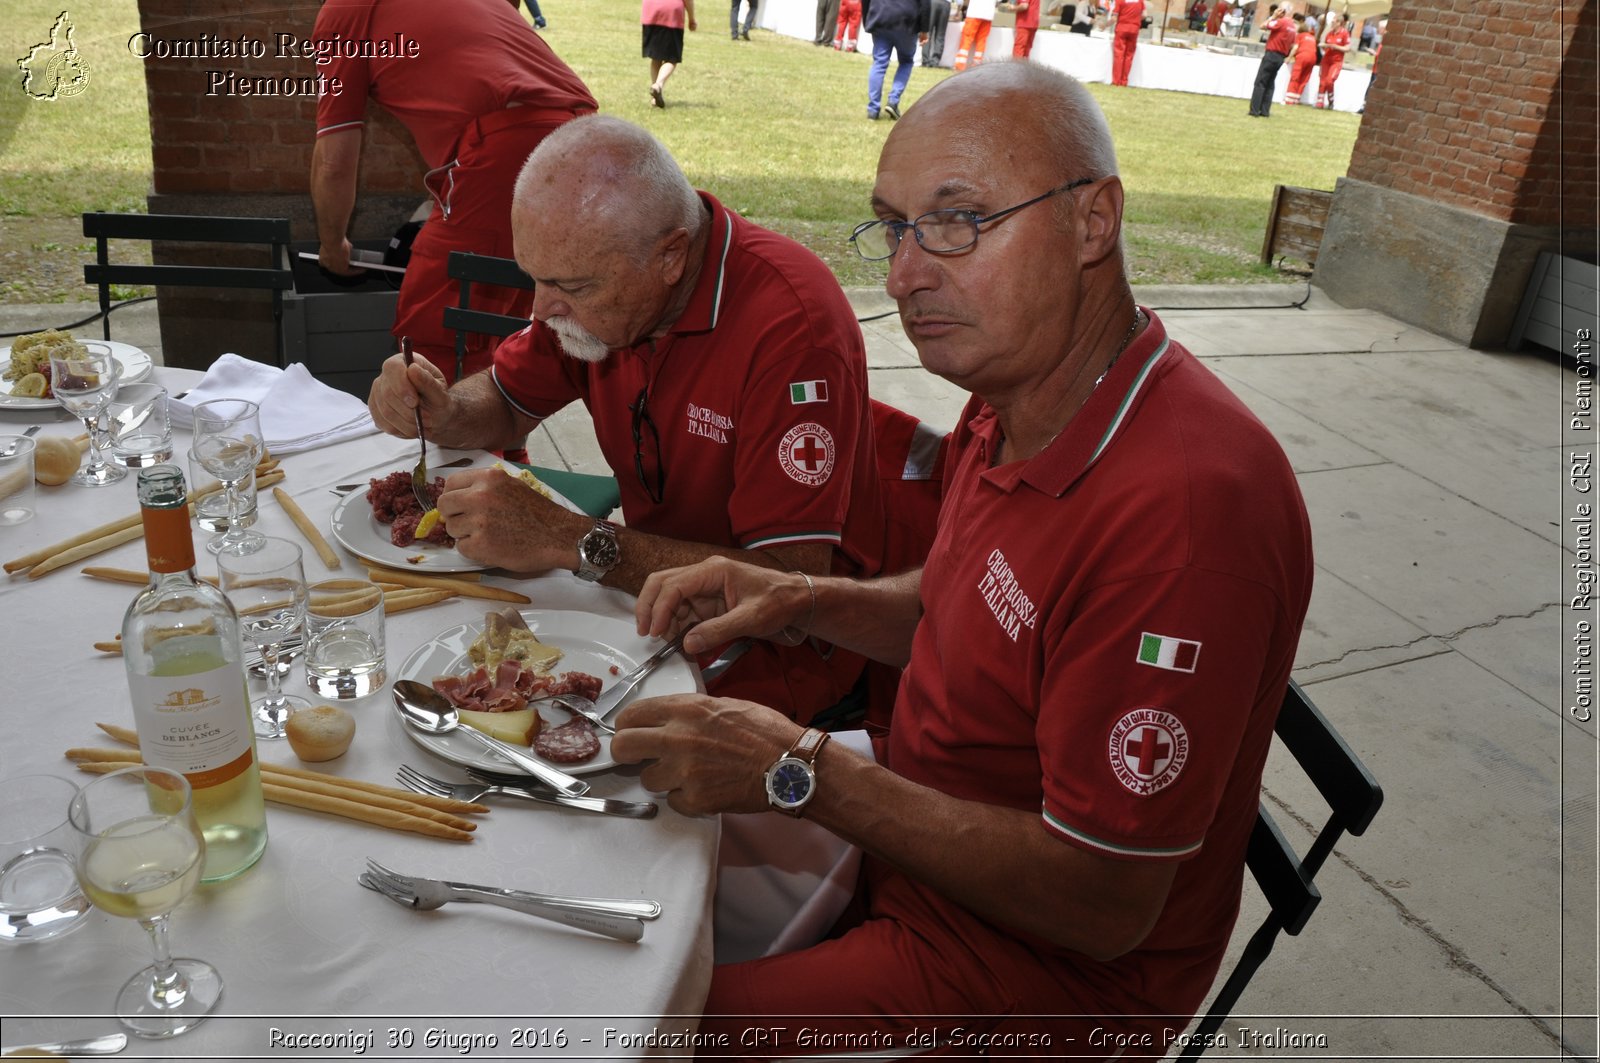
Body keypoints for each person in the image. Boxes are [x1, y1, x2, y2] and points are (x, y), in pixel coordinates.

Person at [612, 61, 1313, 1051]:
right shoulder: (1019, 387)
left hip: (1036, 977)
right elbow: (959, 605)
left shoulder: (1188, 516)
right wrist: (792, 595)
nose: (902, 272)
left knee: (625, 1030)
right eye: (893, 226)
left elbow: (1102, 906)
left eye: (957, 220)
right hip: (919, 817)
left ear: (1092, 221)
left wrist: (800, 768)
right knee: (599, 832)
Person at [365, 116, 893, 727]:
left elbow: (785, 593)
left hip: (774, 665)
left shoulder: (790, 329)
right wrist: (445, 409)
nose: (541, 309)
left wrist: (567, 536)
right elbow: (508, 403)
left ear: (671, 256)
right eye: (533, 277)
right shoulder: (604, 294)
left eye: (569, 285)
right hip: (648, 600)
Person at [309, 0, 596, 386]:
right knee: (502, 316)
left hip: (507, 143)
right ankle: (505, 444)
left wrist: (331, 245)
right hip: (584, 133)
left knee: (435, 330)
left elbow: (333, 162)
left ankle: (454, 442)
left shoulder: (344, 12)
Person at [865, 0, 930, 119]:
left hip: (880, 15)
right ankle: (893, 101)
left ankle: (873, 110)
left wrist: (867, 19)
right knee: (906, 61)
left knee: (879, 63)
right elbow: (925, 3)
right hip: (906, 20)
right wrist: (924, 30)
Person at [642, 0, 696, 108]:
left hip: (651, 10)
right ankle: (658, 85)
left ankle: (655, 98)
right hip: (670, 13)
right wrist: (692, 18)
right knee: (672, 59)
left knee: (655, 56)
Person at [1248, 0, 1295, 116]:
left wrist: (1273, 16)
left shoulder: (1281, 22)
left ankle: (1254, 109)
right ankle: (1265, 110)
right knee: (1270, 83)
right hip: (1281, 56)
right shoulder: (1292, 26)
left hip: (1272, 53)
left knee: (1261, 82)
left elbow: (1263, 26)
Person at [1316, 11, 1352, 108]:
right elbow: (1325, 45)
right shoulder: (1330, 33)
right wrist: (1323, 46)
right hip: (1326, 59)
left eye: (1333, 22)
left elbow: (1347, 48)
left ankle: (1331, 100)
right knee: (1322, 80)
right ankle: (1319, 102)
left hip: (1336, 61)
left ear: (1339, 23)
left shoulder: (1344, 33)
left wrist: (1335, 46)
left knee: (1329, 81)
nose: (1332, 23)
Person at [1109, 0, 1146, 85]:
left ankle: (1116, 81)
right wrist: (1135, 19)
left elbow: (1114, 18)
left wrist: (1106, 25)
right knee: (1129, 55)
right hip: (1134, 29)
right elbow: (1144, 14)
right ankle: (1124, 81)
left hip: (1122, 28)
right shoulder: (1140, 1)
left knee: (1119, 54)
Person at [1284, 12, 1318, 104]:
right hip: (1313, 58)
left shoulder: (1300, 36)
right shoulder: (1312, 37)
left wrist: (1289, 57)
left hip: (1302, 56)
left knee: (1296, 76)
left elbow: (1295, 48)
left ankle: (1289, 100)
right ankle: (1297, 99)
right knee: (1304, 78)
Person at [951, 0, 994, 69]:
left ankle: (960, 65)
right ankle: (977, 65)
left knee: (967, 38)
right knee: (981, 40)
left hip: (975, 12)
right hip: (988, 14)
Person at [921, 0, 951, 64]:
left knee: (927, 32)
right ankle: (935, 61)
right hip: (945, 3)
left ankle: (925, 60)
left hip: (932, 2)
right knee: (940, 34)